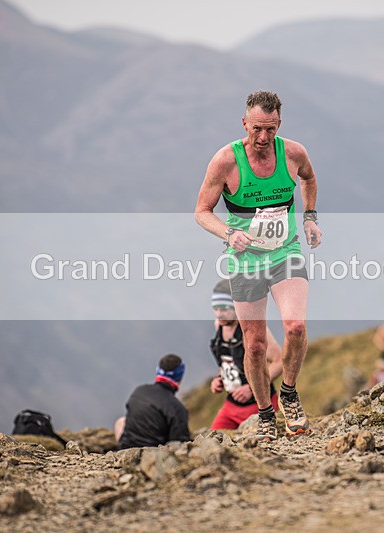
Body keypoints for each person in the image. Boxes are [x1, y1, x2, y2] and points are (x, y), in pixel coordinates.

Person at [195, 90, 322, 441]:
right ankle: (265, 413)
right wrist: (227, 232)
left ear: (280, 123)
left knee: (295, 327)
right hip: (245, 260)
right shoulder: (225, 161)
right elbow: (201, 212)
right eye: (256, 129)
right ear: (244, 124)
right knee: (254, 346)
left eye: (271, 129)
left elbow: (309, 178)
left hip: (285, 253)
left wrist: (309, 217)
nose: (263, 137)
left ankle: (290, 395)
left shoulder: (294, 153)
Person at [209, 279, 283, 430]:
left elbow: (279, 361)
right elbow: (227, 360)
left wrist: (251, 387)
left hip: (259, 405)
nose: (219, 314)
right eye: (215, 308)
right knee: (212, 442)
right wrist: (219, 379)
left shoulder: (252, 328)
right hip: (230, 407)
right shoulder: (219, 325)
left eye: (224, 308)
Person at [115, 354, 191, 449]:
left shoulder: (139, 391)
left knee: (121, 421)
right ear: (180, 376)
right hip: (154, 455)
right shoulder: (177, 408)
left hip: (127, 448)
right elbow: (180, 443)